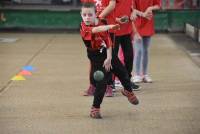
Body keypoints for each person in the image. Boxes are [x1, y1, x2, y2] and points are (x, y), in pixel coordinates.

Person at [80, 2, 139, 119]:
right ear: (81, 15)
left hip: (107, 54)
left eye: (90, 15)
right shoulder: (84, 27)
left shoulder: (102, 21)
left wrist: (109, 58)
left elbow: (108, 41)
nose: (87, 17)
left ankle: (128, 91)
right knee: (101, 83)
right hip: (96, 57)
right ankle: (95, 109)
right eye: (84, 15)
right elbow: (96, 30)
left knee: (123, 73)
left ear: (95, 14)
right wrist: (111, 27)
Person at [83, 0, 116, 97]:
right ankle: (93, 85)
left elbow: (112, 5)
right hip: (92, 27)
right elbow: (86, 9)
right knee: (93, 59)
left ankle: (109, 86)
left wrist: (98, 17)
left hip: (107, 26)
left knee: (108, 58)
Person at [131, 0, 161, 83]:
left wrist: (150, 7)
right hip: (137, 23)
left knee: (146, 51)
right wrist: (143, 14)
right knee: (139, 51)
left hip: (148, 22)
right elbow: (132, 9)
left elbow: (158, 5)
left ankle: (145, 74)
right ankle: (137, 74)